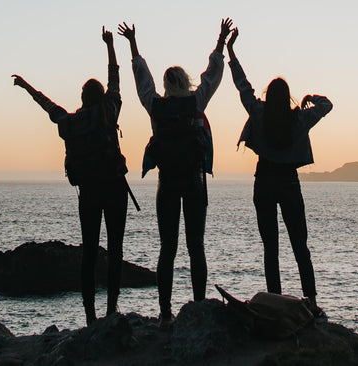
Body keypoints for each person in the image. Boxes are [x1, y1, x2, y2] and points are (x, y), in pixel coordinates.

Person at [12, 27, 130, 326]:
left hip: (88, 192)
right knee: (115, 249)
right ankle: (111, 309)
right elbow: (115, 80)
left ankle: (90, 315)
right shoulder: (110, 112)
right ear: (101, 97)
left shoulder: (72, 123)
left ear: (82, 97)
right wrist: (110, 46)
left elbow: (48, 106)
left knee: (89, 252)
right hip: (115, 187)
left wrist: (26, 87)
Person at [118, 18, 232, 326]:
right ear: (186, 81)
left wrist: (133, 45)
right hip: (195, 183)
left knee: (167, 247)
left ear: (167, 85)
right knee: (196, 245)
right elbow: (213, 74)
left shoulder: (156, 107)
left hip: (166, 184)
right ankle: (196, 307)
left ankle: (165, 312)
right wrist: (220, 39)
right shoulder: (197, 103)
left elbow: (142, 80)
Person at [226, 27, 333, 315]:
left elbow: (242, 85)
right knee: (301, 246)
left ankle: (274, 301)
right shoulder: (300, 118)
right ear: (287, 97)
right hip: (288, 181)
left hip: (264, 180)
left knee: (270, 247)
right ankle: (311, 302)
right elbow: (327, 105)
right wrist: (312, 96)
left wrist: (231, 50)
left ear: (267, 95)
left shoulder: (258, 112)